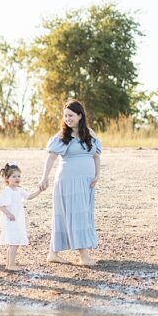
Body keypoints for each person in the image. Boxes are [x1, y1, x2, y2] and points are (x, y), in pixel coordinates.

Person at [38, 100, 103, 266]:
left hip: (86, 182)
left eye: (71, 115)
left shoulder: (90, 134)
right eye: (65, 115)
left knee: (83, 215)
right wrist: (44, 177)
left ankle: (53, 253)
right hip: (68, 181)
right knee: (73, 215)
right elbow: (51, 157)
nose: (67, 118)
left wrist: (97, 175)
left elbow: (96, 156)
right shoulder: (62, 136)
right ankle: (83, 256)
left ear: (80, 115)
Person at [0, 161, 44, 271]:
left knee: (13, 243)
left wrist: (39, 191)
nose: (17, 178)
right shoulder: (7, 191)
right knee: (13, 243)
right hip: (10, 220)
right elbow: (0, 205)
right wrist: (8, 213)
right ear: (7, 179)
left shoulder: (18, 190)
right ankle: (11, 265)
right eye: (14, 176)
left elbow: (29, 196)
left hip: (17, 220)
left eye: (18, 176)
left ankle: (9, 264)